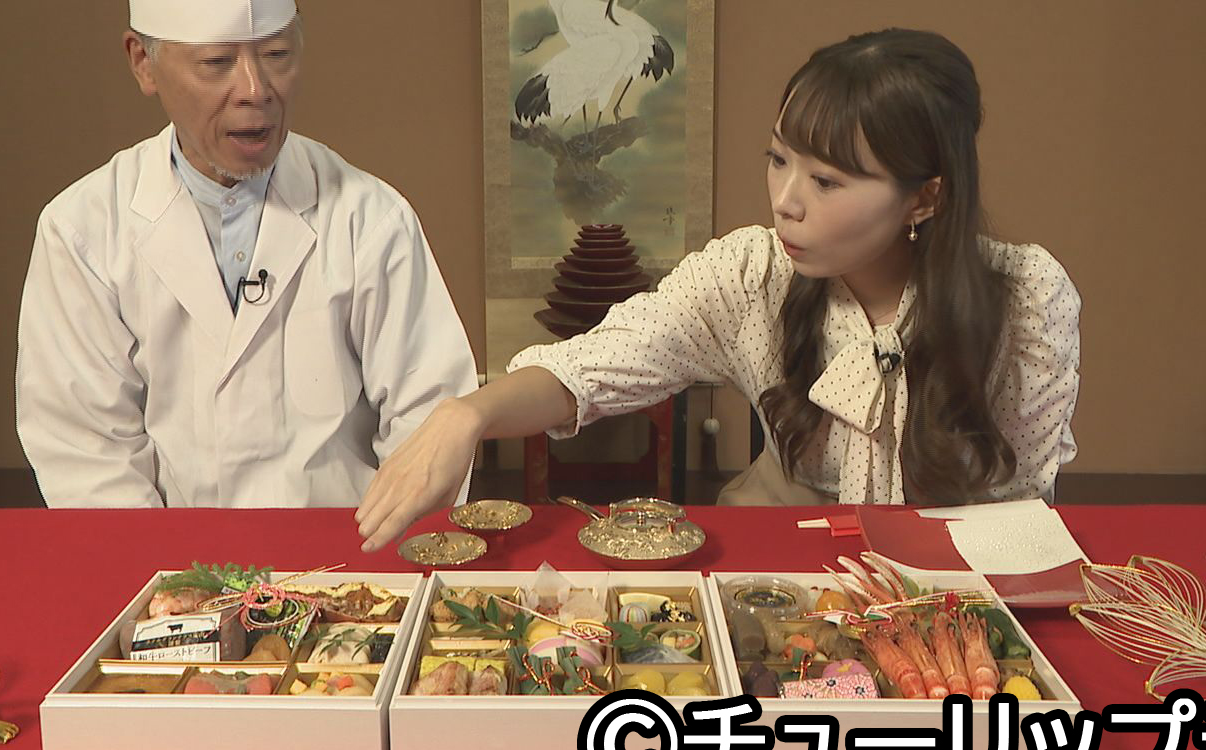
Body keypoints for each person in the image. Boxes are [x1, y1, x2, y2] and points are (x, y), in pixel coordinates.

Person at [357, 28, 1080, 551]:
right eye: (778, 159)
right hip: (783, 573)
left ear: (923, 197)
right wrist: (468, 414)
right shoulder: (751, 274)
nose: (786, 201)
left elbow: (1019, 512)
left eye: (826, 181)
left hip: (957, 589)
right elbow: (594, 366)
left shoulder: (1027, 299)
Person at [17, 0, 476, 508]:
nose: (256, 90)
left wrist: (377, 554)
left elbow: (430, 421)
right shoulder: (83, 231)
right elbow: (85, 451)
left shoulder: (370, 219)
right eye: (216, 64)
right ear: (143, 62)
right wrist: (169, 568)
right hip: (164, 559)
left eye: (277, 54)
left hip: (347, 553)